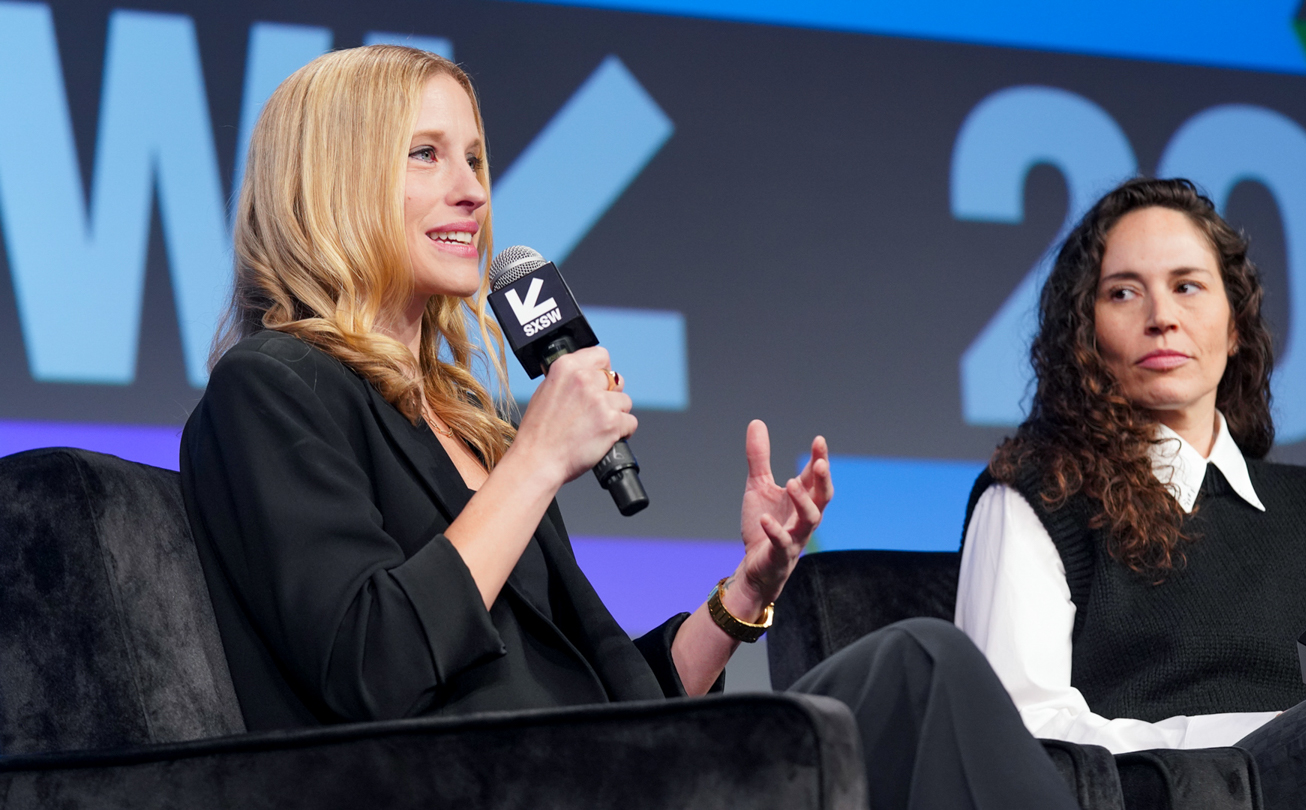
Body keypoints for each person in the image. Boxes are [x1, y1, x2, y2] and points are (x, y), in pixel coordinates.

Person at [180, 45, 1080, 810]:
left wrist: (744, 594)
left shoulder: (471, 422)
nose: (470, 192)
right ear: (333, 180)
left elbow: (622, 696)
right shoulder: (271, 388)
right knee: (920, 670)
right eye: (425, 155)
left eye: (477, 161)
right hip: (479, 786)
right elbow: (371, 666)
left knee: (915, 674)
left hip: (602, 767)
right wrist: (534, 463)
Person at [955, 176, 1306, 809]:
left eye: (1187, 286)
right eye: (1124, 292)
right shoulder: (1038, 499)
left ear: (1234, 324)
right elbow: (1020, 740)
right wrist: (1276, 741)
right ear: (1086, 334)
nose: (1162, 317)